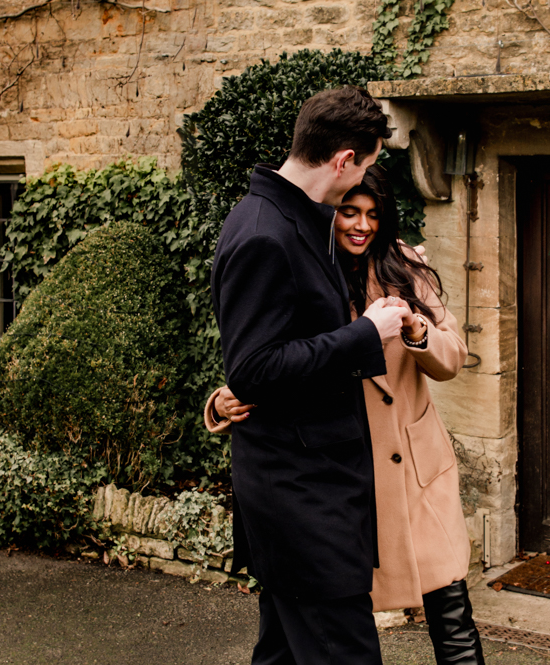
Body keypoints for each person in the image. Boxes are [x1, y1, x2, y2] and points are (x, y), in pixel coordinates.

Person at [206, 164, 486, 665]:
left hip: (415, 471)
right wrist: (223, 399)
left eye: (373, 215)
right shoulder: (308, 263)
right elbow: (269, 355)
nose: (361, 225)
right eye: (349, 212)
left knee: (449, 606)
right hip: (345, 476)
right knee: (319, 620)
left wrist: (416, 332)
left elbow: (452, 357)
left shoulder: (404, 266)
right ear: (331, 211)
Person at [210, 86, 408, 665]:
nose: (362, 180)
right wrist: (366, 334)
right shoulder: (265, 232)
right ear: (345, 159)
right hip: (301, 501)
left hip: (313, 491)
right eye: (366, 166)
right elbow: (253, 368)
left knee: (284, 655)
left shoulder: (296, 219)